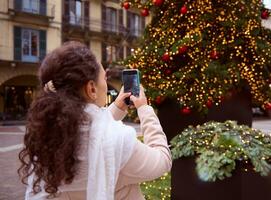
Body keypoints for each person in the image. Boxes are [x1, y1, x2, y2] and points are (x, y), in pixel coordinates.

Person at [18, 41, 172, 200]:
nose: (105, 83)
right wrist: (144, 109)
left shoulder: (46, 136)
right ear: (91, 88)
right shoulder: (119, 140)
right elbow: (162, 161)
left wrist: (117, 107)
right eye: (104, 78)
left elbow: (89, 129)